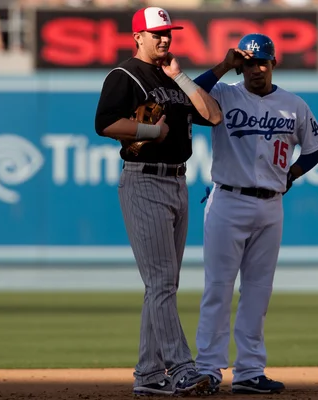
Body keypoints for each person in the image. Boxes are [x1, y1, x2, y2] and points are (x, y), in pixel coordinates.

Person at [93, 6, 222, 397]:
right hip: (144, 179)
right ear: (138, 37)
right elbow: (104, 122)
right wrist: (152, 129)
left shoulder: (171, 76)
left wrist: (181, 76)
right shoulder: (124, 75)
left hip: (177, 183)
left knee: (163, 284)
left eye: (168, 32)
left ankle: (149, 374)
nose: (164, 38)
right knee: (162, 282)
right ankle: (181, 367)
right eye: (156, 33)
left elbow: (212, 116)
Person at [191, 33, 318, 395]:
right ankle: (208, 369)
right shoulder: (224, 94)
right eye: (249, 62)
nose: (256, 68)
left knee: (257, 290)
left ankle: (250, 370)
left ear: (274, 64)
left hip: (271, 205)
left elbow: (317, 148)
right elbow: (188, 101)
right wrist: (223, 66)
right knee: (218, 289)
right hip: (227, 200)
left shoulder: (293, 104)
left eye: (262, 62)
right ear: (242, 64)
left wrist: (292, 175)